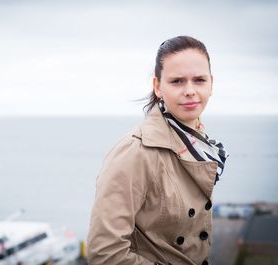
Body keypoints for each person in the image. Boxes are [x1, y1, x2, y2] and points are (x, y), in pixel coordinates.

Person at [87, 36, 228, 265]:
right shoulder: (135, 152)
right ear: (157, 87)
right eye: (177, 81)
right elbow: (105, 253)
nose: (190, 90)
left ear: (211, 84)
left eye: (199, 80)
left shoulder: (199, 144)